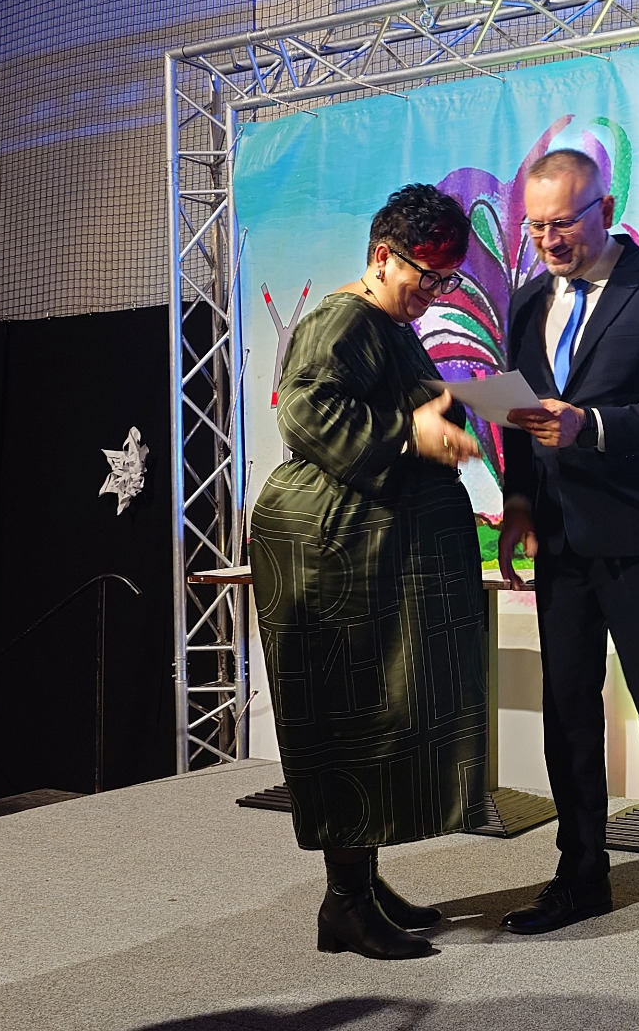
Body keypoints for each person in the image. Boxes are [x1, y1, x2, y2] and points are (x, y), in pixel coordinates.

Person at [248, 184, 487, 961]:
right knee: (353, 718)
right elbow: (305, 412)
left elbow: (404, 408)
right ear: (383, 257)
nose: (436, 291)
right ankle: (345, 904)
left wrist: (457, 413)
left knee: (381, 714)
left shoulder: (387, 321)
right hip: (334, 556)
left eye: (448, 278)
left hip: (364, 551)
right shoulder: (343, 319)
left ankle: (362, 885)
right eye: (427, 275)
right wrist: (412, 434)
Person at [496, 148, 639, 950]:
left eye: (562, 223)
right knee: (567, 709)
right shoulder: (526, 300)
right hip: (559, 539)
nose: (548, 241)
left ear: (607, 209)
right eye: (535, 227)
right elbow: (519, 412)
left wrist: (592, 425)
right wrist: (518, 502)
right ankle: (581, 873)